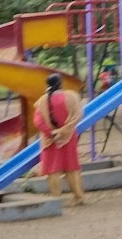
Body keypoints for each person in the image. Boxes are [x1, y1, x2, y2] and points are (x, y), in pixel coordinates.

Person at [34, 73, 86, 206]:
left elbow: (38, 121)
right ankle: (78, 196)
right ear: (60, 83)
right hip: (69, 137)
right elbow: (78, 115)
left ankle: (56, 199)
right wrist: (63, 130)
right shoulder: (72, 96)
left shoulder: (42, 101)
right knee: (72, 167)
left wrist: (51, 133)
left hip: (49, 140)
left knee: (53, 170)